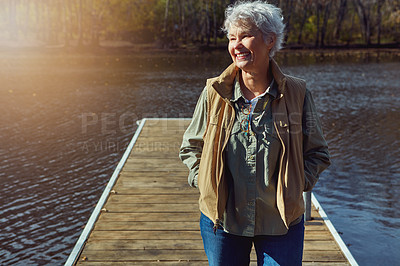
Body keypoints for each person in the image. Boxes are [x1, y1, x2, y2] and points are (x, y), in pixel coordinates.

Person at [179, 1, 331, 265]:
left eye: (246, 35)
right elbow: (191, 147)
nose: (236, 45)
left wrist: (298, 184)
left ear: (270, 40)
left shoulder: (297, 94)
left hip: (281, 223)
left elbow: (317, 152)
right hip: (223, 222)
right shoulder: (213, 93)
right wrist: (202, 180)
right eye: (231, 37)